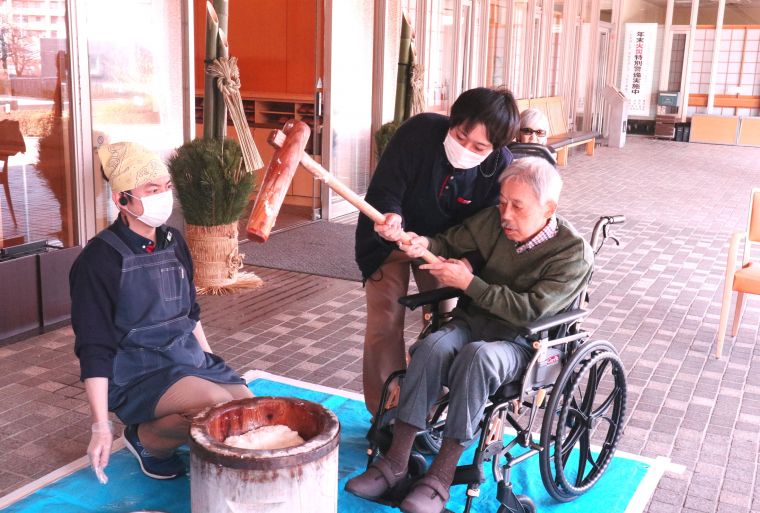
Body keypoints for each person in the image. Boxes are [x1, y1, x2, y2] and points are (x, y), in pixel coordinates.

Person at [346, 157, 593, 513]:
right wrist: (420, 241)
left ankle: (440, 479)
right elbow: (449, 242)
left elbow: (531, 311)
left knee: (478, 357)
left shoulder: (572, 253)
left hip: (524, 342)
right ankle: (395, 463)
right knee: (431, 347)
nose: (504, 214)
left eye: (517, 206)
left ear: (548, 208)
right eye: (502, 202)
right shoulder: (494, 222)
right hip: (474, 323)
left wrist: (469, 284)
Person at [70, 142, 252, 482]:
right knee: (214, 406)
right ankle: (147, 440)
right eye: (151, 190)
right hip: (137, 372)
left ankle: (176, 426)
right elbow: (94, 348)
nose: (163, 197)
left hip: (183, 359)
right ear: (121, 199)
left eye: (166, 188)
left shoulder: (174, 240)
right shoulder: (97, 260)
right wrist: (100, 425)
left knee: (248, 409)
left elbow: (190, 314)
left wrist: (212, 364)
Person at [355, 87, 520, 415]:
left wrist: (466, 263)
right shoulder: (419, 132)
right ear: (453, 121)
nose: (465, 149)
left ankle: (428, 409)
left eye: (478, 147)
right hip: (389, 238)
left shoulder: (500, 167)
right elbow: (386, 187)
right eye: (460, 136)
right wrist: (391, 217)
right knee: (385, 321)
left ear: (496, 148)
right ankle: (386, 414)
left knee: (448, 321)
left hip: (445, 248)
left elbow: (483, 231)